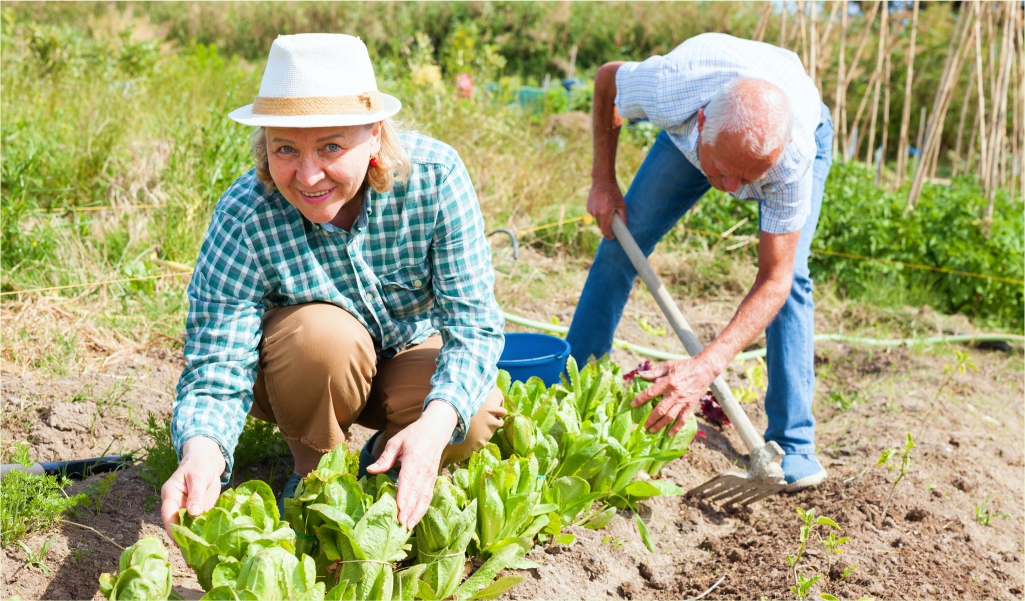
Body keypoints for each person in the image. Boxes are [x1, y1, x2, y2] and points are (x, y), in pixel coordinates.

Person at [160, 33, 506, 535]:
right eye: (285, 148)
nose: (308, 175)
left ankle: (381, 459)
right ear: (264, 145)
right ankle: (314, 477)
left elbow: (473, 327)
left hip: (405, 351)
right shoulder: (246, 214)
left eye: (331, 146)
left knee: (472, 415)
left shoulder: (435, 178)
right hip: (302, 370)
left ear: (375, 136)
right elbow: (218, 362)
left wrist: (434, 428)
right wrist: (203, 454)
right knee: (324, 339)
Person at [566, 33, 834, 493]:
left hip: (763, 134)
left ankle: (793, 442)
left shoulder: (790, 159)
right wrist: (602, 179)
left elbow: (774, 279)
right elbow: (607, 81)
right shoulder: (672, 88)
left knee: (791, 280)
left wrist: (706, 366)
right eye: (725, 173)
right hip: (695, 135)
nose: (732, 190)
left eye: (749, 178)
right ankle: (573, 385)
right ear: (703, 122)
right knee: (621, 241)